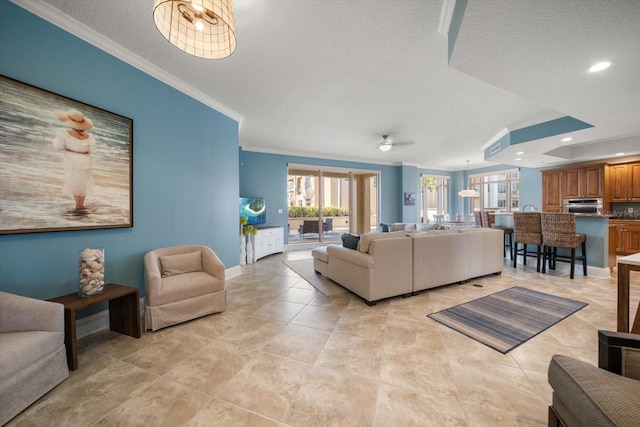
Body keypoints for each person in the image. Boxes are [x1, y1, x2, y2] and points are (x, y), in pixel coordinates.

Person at [52, 109, 96, 211]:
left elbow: (59, 146)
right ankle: (81, 204)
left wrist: (54, 141)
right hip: (86, 161)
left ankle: (77, 205)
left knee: (74, 182)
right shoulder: (90, 136)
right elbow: (92, 150)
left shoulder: (63, 132)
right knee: (83, 183)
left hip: (71, 160)